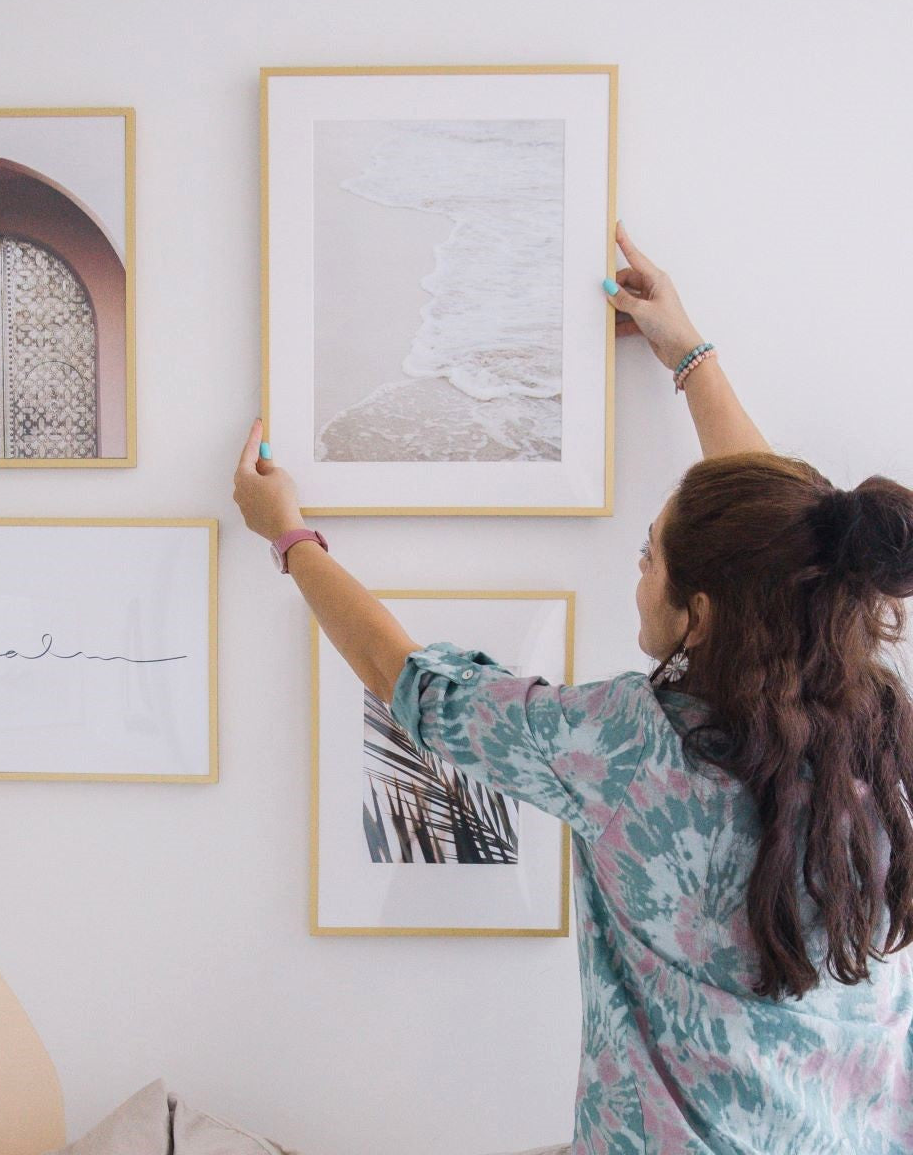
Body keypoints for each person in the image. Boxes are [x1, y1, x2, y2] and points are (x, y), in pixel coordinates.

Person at [231, 222, 913, 1154]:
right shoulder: (881, 728)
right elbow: (785, 543)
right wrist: (690, 355)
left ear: (702, 612)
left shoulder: (627, 746)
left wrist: (291, 539)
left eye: (648, 558)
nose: (635, 574)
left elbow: (412, 684)